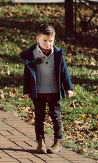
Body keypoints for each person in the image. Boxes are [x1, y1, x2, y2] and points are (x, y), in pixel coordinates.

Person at [21, 23, 74, 154]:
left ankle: (57, 142)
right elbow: (27, 74)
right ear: (37, 39)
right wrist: (26, 90)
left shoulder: (58, 54)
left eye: (50, 41)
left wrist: (69, 88)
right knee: (39, 117)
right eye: (44, 40)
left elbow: (64, 72)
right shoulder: (32, 54)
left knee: (56, 116)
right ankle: (40, 142)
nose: (48, 44)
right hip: (38, 92)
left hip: (54, 92)